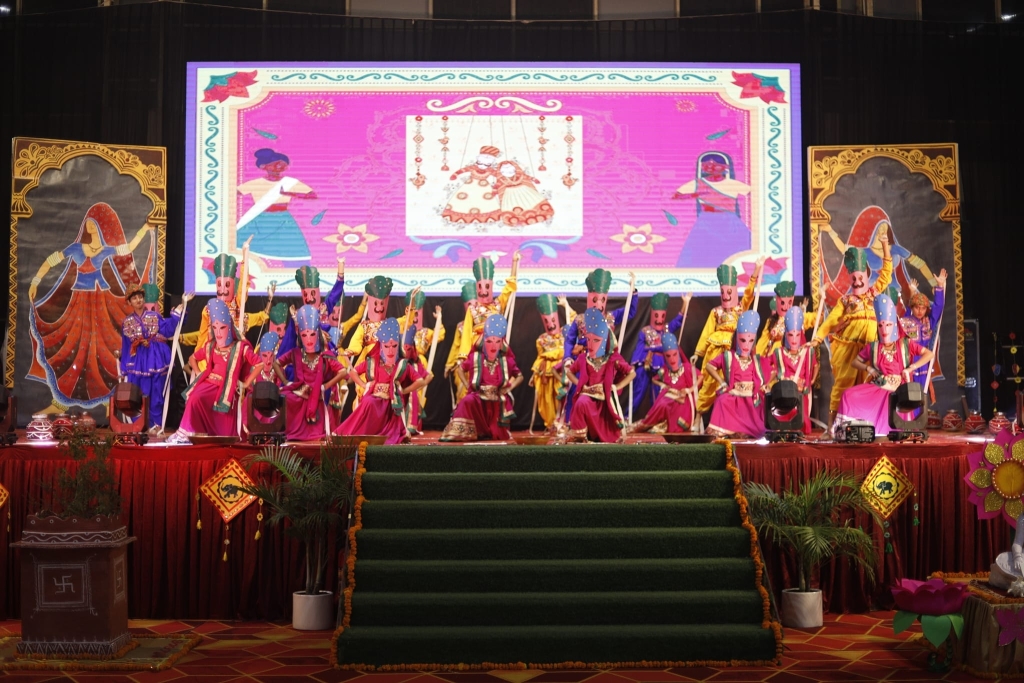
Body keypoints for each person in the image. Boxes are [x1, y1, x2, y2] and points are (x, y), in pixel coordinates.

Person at [26, 202, 152, 411]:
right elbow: (52, 260)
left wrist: (145, 229)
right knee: (76, 346)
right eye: (88, 224)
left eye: (94, 224)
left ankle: (108, 402)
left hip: (101, 302)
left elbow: (128, 248)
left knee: (103, 347)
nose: (90, 227)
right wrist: (35, 281)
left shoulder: (105, 250)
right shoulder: (76, 249)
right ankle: (61, 402)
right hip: (80, 302)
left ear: (101, 228)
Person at [809, 231, 893, 428]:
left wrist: (885, 245)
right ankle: (832, 427)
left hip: (869, 350)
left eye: (860, 276)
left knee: (869, 387)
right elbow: (831, 320)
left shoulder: (874, 293)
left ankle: (866, 424)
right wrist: (818, 338)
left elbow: (887, 273)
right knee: (842, 387)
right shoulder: (845, 300)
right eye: (854, 277)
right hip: (848, 351)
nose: (857, 281)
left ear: (866, 275)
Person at [836, 294, 933, 437]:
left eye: (888, 325)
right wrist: (869, 368)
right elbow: (855, 362)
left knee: (900, 403)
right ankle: (849, 432)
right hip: (879, 387)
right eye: (881, 325)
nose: (884, 330)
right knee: (848, 395)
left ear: (894, 325)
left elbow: (929, 354)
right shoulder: (873, 347)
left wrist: (911, 368)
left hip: (899, 390)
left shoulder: (905, 344)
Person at [167, 299, 254, 444]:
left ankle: (219, 436)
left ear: (229, 326)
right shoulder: (212, 345)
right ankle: (189, 433)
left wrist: (246, 383)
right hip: (210, 383)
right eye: (215, 327)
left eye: (222, 327)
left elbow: (258, 363)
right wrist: (198, 373)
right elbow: (192, 358)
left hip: (228, 387)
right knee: (194, 397)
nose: (218, 332)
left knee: (211, 407)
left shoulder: (240, 347)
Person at [336, 318, 431, 444]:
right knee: (368, 402)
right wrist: (364, 385)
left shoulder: (402, 364)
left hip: (392, 404)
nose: (390, 350)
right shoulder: (372, 362)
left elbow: (420, 381)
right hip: (374, 399)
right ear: (380, 346)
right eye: (386, 346)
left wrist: (404, 390)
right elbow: (353, 372)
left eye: (394, 346)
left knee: (386, 411)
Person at [692, 259, 764, 417]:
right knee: (709, 384)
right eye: (723, 292)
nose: (725, 296)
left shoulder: (741, 309)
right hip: (715, 352)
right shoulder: (715, 312)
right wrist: (698, 353)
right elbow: (706, 332)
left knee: (733, 383)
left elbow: (749, 294)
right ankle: (698, 416)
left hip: (733, 353)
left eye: (729, 292)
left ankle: (732, 417)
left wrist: (756, 270)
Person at [562, 268, 638, 416]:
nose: (598, 304)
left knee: (604, 395)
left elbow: (630, 311)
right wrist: (568, 358)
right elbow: (569, 340)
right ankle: (573, 422)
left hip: (604, 364)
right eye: (595, 300)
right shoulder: (579, 319)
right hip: (584, 363)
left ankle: (602, 422)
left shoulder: (611, 317)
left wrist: (633, 291)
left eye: (602, 300)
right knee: (576, 392)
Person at [441, 314, 523, 442]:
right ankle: (465, 432)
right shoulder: (475, 357)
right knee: (467, 400)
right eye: (489, 341)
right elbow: (460, 369)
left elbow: (519, 376)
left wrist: (509, 388)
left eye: (497, 342)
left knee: (497, 435)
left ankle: (489, 430)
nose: (493, 346)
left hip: (497, 398)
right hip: (478, 395)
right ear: (484, 341)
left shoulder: (506, 360)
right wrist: (467, 384)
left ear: (501, 343)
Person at [180, 251, 270, 365]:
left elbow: (244, 289)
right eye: (219, 285)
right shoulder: (208, 310)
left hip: (234, 358)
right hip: (214, 359)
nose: (223, 289)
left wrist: (245, 257)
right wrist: (197, 357)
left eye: (227, 285)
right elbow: (202, 335)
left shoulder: (239, 311)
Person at [120, 283, 189, 429]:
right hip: (137, 362)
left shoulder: (155, 316)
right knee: (136, 394)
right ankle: (140, 426)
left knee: (156, 394)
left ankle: (156, 426)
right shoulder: (127, 322)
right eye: (134, 298)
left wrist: (180, 309)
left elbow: (168, 329)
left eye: (140, 297)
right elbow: (126, 347)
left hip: (155, 360)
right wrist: (124, 369)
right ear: (129, 302)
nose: (138, 300)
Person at [276, 305, 349, 441]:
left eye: (312, 334)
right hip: (299, 395)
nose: (308, 339)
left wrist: (326, 386)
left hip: (317, 398)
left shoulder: (325, 356)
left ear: (318, 334)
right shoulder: (296, 353)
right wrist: (285, 382)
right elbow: (276, 363)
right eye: (304, 335)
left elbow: (343, 371)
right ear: (300, 336)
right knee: (283, 397)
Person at [565, 308, 635, 443]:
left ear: (604, 341)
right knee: (581, 402)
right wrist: (580, 384)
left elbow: (632, 373)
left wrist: (616, 386)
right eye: (588, 340)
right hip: (587, 396)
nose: (591, 344)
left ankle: (600, 435)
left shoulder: (612, 359)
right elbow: (569, 372)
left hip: (604, 401)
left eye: (596, 340)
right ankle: (580, 437)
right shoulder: (583, 358)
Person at [236, 148, 316, 263]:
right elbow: (235, 192)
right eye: (276, 164)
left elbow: (312, 195)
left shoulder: (290, 182)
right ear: (263, 166)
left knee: (294, 252)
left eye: (283, 164)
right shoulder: (256, 183)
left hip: (283, 220)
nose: (280, 166)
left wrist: (288, 193)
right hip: (260, 220)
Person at [673, 153, 753, 268]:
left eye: (715, 165)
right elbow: (676, 196)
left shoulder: (733, 184)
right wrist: (696, 194)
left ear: (725, 167)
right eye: (706, 165)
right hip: (707, 221)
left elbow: (753, 193)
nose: (710, 167)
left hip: (729, 222)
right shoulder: (697, 183)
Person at [705, 311, 767, 439]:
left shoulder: (755, 360)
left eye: (750, 341)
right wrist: (722, 381)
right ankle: (729, 430)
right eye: (743, 340)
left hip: (750, 398)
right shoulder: (729, 356)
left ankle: (747, 431)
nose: (746, 345)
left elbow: (772, 371)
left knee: (764, 406)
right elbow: (709, 366)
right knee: (722, 401)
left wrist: (762, 386)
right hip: (734, 396)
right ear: (737, 338)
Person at [630, 332, 698, 434]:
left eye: (675, 354)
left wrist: (689, 390)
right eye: (668, 356)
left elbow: (700, 377)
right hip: (670, 397)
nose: (672, 359)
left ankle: (659, 425)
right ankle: (653, 424)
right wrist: (663, 385)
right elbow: (654, 379)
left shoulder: (686, 368)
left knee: (665, 404)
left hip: (683, 401)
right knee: (663, 403)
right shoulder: (665, 370)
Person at [767, 307, 819, 434]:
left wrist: (812, 380)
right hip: (783, 393)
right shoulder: (779, 352)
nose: (794, 339)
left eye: (797, 335)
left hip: (800, 393)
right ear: (786, 335)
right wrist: (766, 382)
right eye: (791, 335)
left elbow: (815, 366)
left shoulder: (807, 352)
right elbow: (768, 366)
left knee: (801, 421)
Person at [458, 254, 520, 360]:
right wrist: (463, 357)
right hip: (478, 348)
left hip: (496, 346)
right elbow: (467, 334)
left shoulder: (498, 304)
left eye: (487, 287)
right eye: (480, 287)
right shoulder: (472, 309)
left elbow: (510, 287)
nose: (484, 292)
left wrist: (514, 262)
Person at [399, 291, 444, 434]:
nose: (415, 317)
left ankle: (414, 425)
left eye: (417, 313)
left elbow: (439, 335)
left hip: (419, 364)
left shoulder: (426, 332)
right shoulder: (401, 328)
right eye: (413, 313)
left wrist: (439, 319)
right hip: (403, 363)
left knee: (417, 396)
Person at [346, 275, 394, 403]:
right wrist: (352, 350)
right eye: (376, 303)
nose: (379, 307)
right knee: (363, 391)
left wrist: (411, 311)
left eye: (382, 304)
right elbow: (357, 340)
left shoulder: (389, 324)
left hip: (384, 360)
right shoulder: (364, 325)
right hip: (367, 358)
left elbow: (403, 322)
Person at [530, 294, 575, 431]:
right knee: (547, 400)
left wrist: (566, 305)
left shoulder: (565, 332)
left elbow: (575, 320)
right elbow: (539, 357)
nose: (550, 324)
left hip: (562, 372)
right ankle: (551, 425)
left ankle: (563, 422)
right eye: (546, 321)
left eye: (552, 320)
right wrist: (534, 374)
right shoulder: (541, 339)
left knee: (562, 397)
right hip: (545, 374)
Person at [900, 270, 947, 387]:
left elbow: (938, 307)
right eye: (917, 308)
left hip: (923, 360)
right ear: (912, 308)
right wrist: (912, 292)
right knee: (909, 391)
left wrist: (940, 286)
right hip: (909, 361)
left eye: (923, 308)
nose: (920, 311)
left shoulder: (928, 322)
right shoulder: (906, 320)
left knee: (922, 391)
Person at [630, 292, 672, 416]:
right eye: (657, 315)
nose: (659, 319)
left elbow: (677, 322)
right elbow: (639, 348)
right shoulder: (645, 331)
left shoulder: (666, 330)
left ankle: (657, 417)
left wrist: (684, 306)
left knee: (660, 392)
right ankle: (628, 416)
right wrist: (633, 364)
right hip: (646, 363)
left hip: (661, 366)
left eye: (662, 316)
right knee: (639, 390)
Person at [442, 146, 502, 225]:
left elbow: (499, 176)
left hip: (484, 187)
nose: (482, 165)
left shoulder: (490, 170)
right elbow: (463, 170)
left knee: (485, 201)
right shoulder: (473, 167)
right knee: (464, 199)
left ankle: (486, 217)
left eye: (487, 164)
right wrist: (455, 175)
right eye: (480, 162)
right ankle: (460, 216)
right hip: (470, 185)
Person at [755, 281, 812, 356]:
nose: (785, 307)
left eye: (789, 302)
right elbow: (763, 341)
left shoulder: (797, 318)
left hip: (794, 354)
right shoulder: (771, 321)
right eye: (782, 303)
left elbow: (813, 318)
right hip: (776, 354)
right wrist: (757, 357)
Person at [492, 160, 554, 227]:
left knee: (531, 202)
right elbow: (497, 186)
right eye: (505, 171)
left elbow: (527, 177)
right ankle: (518, 220)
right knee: (513, 207)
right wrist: (494, 192)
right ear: (501, 172)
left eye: (510, 171)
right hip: (510, 195)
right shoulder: (502, 179)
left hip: (524, 191)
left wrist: (533, 179)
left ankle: (539, 215)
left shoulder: (520, 176)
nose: (508, 173)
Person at [445, 281, 478, 404]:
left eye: (475, 304)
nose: (472, 307)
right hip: (463, 364)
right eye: (469, 304)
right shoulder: (461, 326)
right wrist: (449, 365)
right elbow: (455, 346)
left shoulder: (484, 324)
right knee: (463, 394)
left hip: (479, 362)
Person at [400, 323, 431, 435]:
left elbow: (427, 377)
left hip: (409, 394)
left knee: (412, 398)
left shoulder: (414, 364)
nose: (406, 352)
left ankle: (409, 427)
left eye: (409, 349)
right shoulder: (396, 363)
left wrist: (415, 388)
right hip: (397, 394)